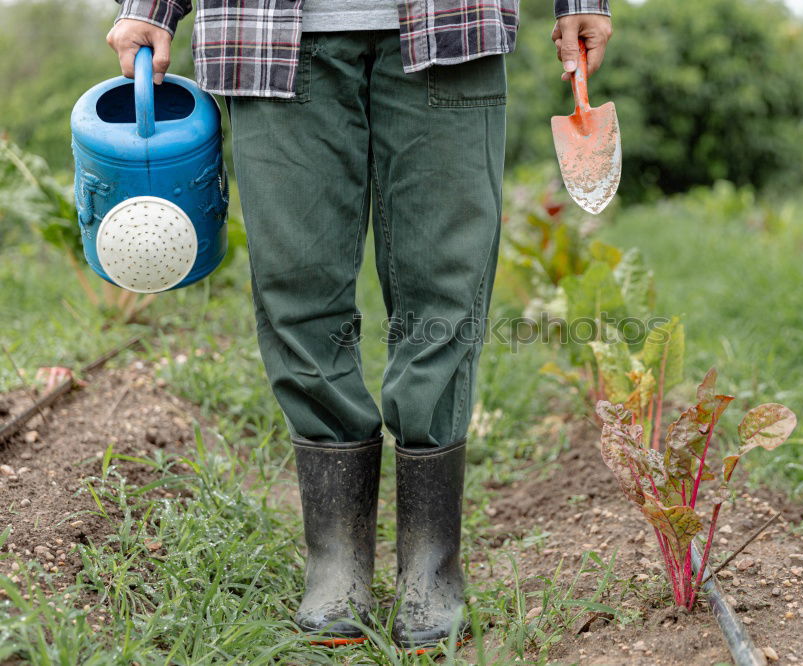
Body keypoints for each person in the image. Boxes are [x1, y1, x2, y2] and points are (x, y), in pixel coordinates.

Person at [106, 0, 612, 649]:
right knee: (297, 284)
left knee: (445, 285)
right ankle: (337, 557)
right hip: (266, 35)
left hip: (451, 25)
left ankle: (432, 561)